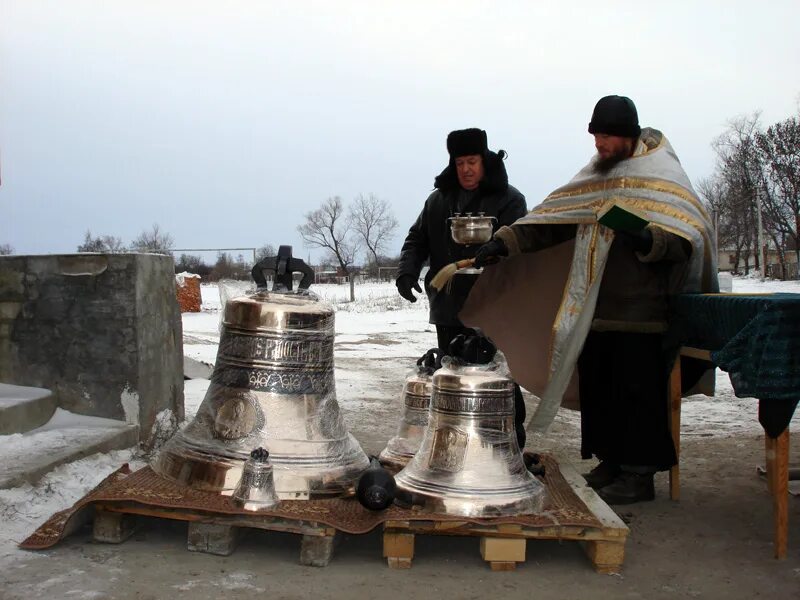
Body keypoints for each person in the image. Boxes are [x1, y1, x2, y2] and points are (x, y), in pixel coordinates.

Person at [463, 96, 718, 504]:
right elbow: (554, 220)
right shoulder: (596, 175)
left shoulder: (663, 174)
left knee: (637, 391)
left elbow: (687, 240)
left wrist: (645, 236)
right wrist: (505, 241)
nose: (598, 144)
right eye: (595, 136)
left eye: (605, 136)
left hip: (644, 311)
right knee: (601, 386)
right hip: (594, 306)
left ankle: (638, 475)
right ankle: (611, 462)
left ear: (627, 136)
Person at [396, 128, 529, 446]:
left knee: (494, 379)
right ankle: (455, 443)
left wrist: (500, 247)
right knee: (452, 376)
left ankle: (507, 441)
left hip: (493, 306)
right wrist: (407, 271)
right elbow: (417, 239)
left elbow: (523, 244)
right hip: (448, 305)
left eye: (472, 161)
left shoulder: (509, 200)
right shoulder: (438, 201)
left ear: (484, 161)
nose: (466, 169)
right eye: (460, 163)